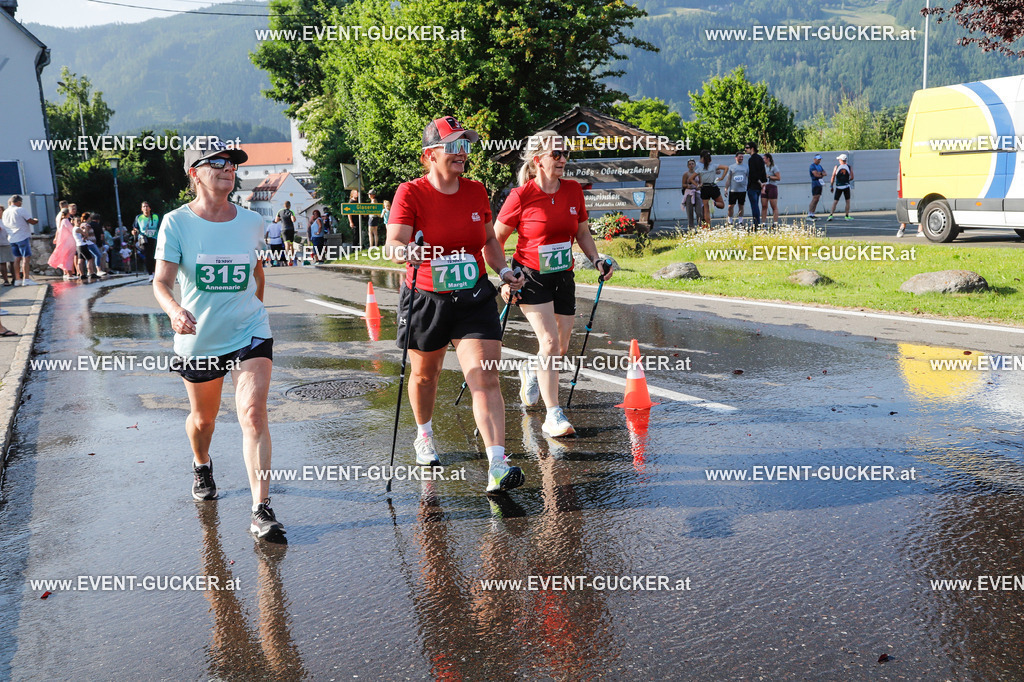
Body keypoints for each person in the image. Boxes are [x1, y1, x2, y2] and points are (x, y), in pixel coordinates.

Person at [152, 139, 285, 542]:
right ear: (194, 172)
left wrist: (251, 310)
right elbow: (160, 282)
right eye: (217, 163)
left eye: (232, 163)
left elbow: (257, 272)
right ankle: (201, 462)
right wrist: (175, 311)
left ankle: (261, 509)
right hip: (200, 339)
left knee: (253, 414)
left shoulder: (250, 222)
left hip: (250, 332)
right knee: (204, 420)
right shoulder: (176, 223)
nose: (228, 168)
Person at [385, 115, 526, 493]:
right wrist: (406, 251)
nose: (462, 154)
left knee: (485, 376)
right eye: (453, 146)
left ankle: (497, 462)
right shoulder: (410, 192)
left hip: (474, 295)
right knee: (425, 376)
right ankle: (425, 434)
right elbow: (393, 243)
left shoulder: (476, 190)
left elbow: (488, 241)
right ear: (429, 155)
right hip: (426, 297)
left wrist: (504, 271)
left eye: (466, 146)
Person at [494, 130, 613, 438]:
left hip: (564, 275)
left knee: (559, 346)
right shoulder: (521, 196)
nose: (563, 159)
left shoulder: (573, 190)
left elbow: (582, 232)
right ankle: (553, 414)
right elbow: (494, 241)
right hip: (530, 276)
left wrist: (596, 259)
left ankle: (532, 371)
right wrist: (503, 276)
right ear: (538, 161)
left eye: (565, 153)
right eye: (556, 154)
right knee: (548, 343)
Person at [2, 195, 39, 286]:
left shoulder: (5, 212)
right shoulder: (20, 210)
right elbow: (31, 221)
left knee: (16, 259)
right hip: (22, 236)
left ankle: (17, 279)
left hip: (12, 238)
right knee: (26, 257)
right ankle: (26, 279)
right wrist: (36, 220)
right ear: (18, 202)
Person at [696, 150, 727, 226]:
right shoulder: (713, 165)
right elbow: (726, 167)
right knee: (722, 205)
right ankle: (714, 203)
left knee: (706, 209)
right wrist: (722, 177)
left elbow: (692, 177)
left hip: (704, 188)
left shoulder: (698, 166)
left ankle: (708, 227)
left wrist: (698, 185)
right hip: (712, 186)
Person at [49, 206, 78, 280]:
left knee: (66, 257)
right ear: (67, 213)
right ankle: (69, 274)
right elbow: (72, 230)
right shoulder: (65, 221)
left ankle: (67, 273)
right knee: (69, 257)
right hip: (69, 242)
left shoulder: (62, 221)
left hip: (66, 241)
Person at [134, 201, 160, 282]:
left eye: (147, 206)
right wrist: (134, 231)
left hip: (155, 238)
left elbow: (161, 226)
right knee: (148, 256)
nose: (145, 208)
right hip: (144, 239)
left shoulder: (156, 217)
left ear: (150, 208)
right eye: (144, 207)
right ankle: (151, 274)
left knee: (155, 256)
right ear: (141, 209)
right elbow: (135, 227)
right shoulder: (139, 217)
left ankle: (156, 272)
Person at [745, 142, 767, 228]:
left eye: (747, 148)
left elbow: (753, 174)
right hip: (759, 187)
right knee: (756, 205)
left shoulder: (751, 159)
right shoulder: (760, 158)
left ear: (752, 148)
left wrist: (759, 182)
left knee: (754, 206)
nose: (745, 149)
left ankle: (756, 224)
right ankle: (757, 222)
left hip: (753, 186)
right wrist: (763, 183)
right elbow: (763, 172)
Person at [827, 154, 854, 221]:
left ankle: (831, 215)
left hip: (838, 186)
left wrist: (831, 186)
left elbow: (833, 176)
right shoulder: (849, 167)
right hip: (846, 186)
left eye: (839, 159)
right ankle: (847, 215)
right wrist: (847, 180)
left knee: (835, 201)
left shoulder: (837, 167)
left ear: (841, 160)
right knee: (847, 201)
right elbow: (852, 177)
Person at [724, 151, 747, 226]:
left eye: (742, 157)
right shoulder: (731, 167)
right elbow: (728, 179)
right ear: (736, 157)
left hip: (742, 190)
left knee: (741, 206)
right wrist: (726, 189)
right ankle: (730, 220)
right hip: (733, 190)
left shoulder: (746, 167)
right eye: (740, 157)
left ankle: (740, 221)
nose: (741, 158)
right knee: (730, 206)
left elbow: (750, 177)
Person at [73, 214, 98, 281]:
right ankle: (91, 273)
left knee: (81, 260)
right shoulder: (77, 228)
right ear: (73, 222)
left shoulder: (75, 229)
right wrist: (86, 229)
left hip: (79, 245)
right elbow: (86, 234)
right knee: (90, 259)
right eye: (77, 221)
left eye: (79, 220)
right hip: (82, 245)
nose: (79, 222)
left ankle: (82, 275)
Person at [273, 201, 297, 265]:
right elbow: (293, 220)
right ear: (289, 206)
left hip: (284, 229)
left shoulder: (280, 211)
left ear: (284, 205)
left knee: (286, 245)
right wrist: (292, 217)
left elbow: (276, 220)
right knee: (291, 245)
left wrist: (282, 219)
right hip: (291, 229)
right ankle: (291, 259)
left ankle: (288, 257)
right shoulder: (291, 212)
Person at [680, 159, 701, 230]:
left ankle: (700, 226)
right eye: (690, 164)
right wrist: (687, 186)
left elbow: (701, 183)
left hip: (697, 192)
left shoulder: (698, 173)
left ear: (695, 165)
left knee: (699, 211)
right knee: (690, 211)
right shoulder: (686, 174)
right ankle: (691, 227)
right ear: (688, 166)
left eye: (692, 164)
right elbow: (683, 184)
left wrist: (699, 187)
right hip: (689, 193)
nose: (691, 165)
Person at [761, 153, 781, 225]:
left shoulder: (774, 167)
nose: (763, 160)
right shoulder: (763, 167)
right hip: (764, 186)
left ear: (768, 159)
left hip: (772, 186)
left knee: (773, 206)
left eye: (764, 158)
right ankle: (763, 222)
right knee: (764, 205)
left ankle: (775, 222)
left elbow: (778, 178)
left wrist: (769, 176)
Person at [808, 154, 825, 219]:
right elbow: (816, 174)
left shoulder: (820, 166)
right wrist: (821, 174)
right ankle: (810, 214)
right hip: (815, 183)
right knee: (814, 199)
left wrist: (820, 174)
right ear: (814, 159)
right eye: (818, 159)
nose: (819, 161)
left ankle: (813, 213)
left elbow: (824, 173)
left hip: (819, 183)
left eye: (820, 159)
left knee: (817, 199)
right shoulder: (812, 166)